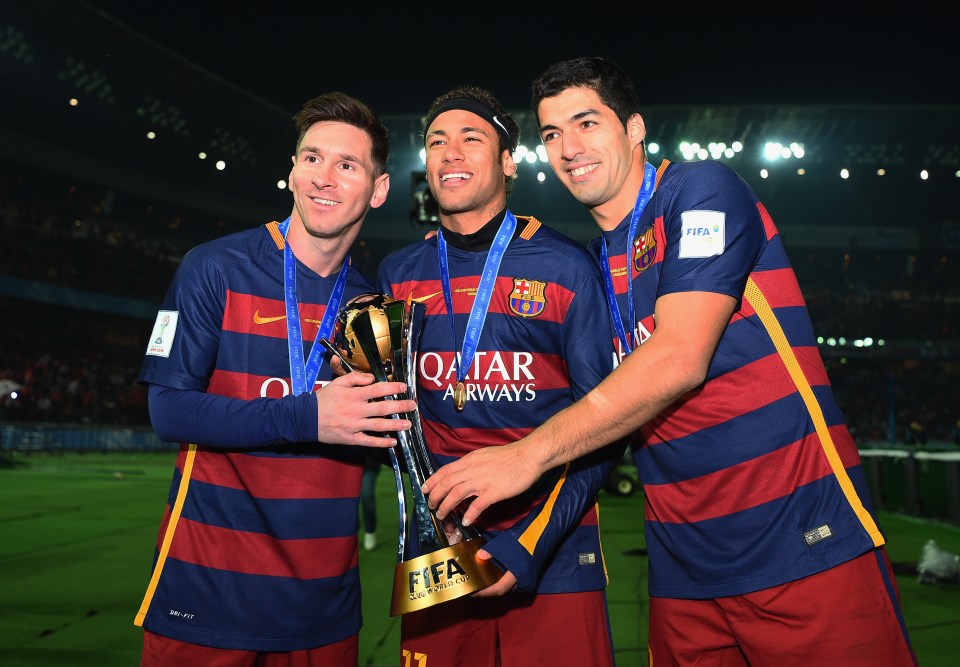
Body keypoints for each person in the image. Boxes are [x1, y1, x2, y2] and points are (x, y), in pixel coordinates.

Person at [423, 58, 919, 666]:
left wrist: (526, 456)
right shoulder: (591, 267)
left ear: (634, 128)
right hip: (683, 573)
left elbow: (680, 358)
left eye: (586, 123)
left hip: (802, 542)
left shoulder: (700, 190)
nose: (568, 148)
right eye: (552, 134)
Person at [133, 92, 417, 666]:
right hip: (207, 596)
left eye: (347, 165)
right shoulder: (213, 267)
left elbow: (389, 437)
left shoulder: (371, 310)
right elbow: (167, 410)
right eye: (311, 158)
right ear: (291, 172)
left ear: (379, 190)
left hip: (323, 612)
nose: (323, 179)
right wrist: (308, 414)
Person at [376, 85, 623, 666]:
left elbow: (608, 423)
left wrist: (525, 544)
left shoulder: (568, 266)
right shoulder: (397, 276)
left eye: (471, 139)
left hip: (552, 547)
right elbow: (389, 418)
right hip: (438, 555)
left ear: (508, 162)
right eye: (437, 141)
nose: (451, 153)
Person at [360, 454, 380, 550]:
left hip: (369, 462)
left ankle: (370, 530)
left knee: (367, 495)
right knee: (345, 498)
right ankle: (353, 527)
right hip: (344, 462)